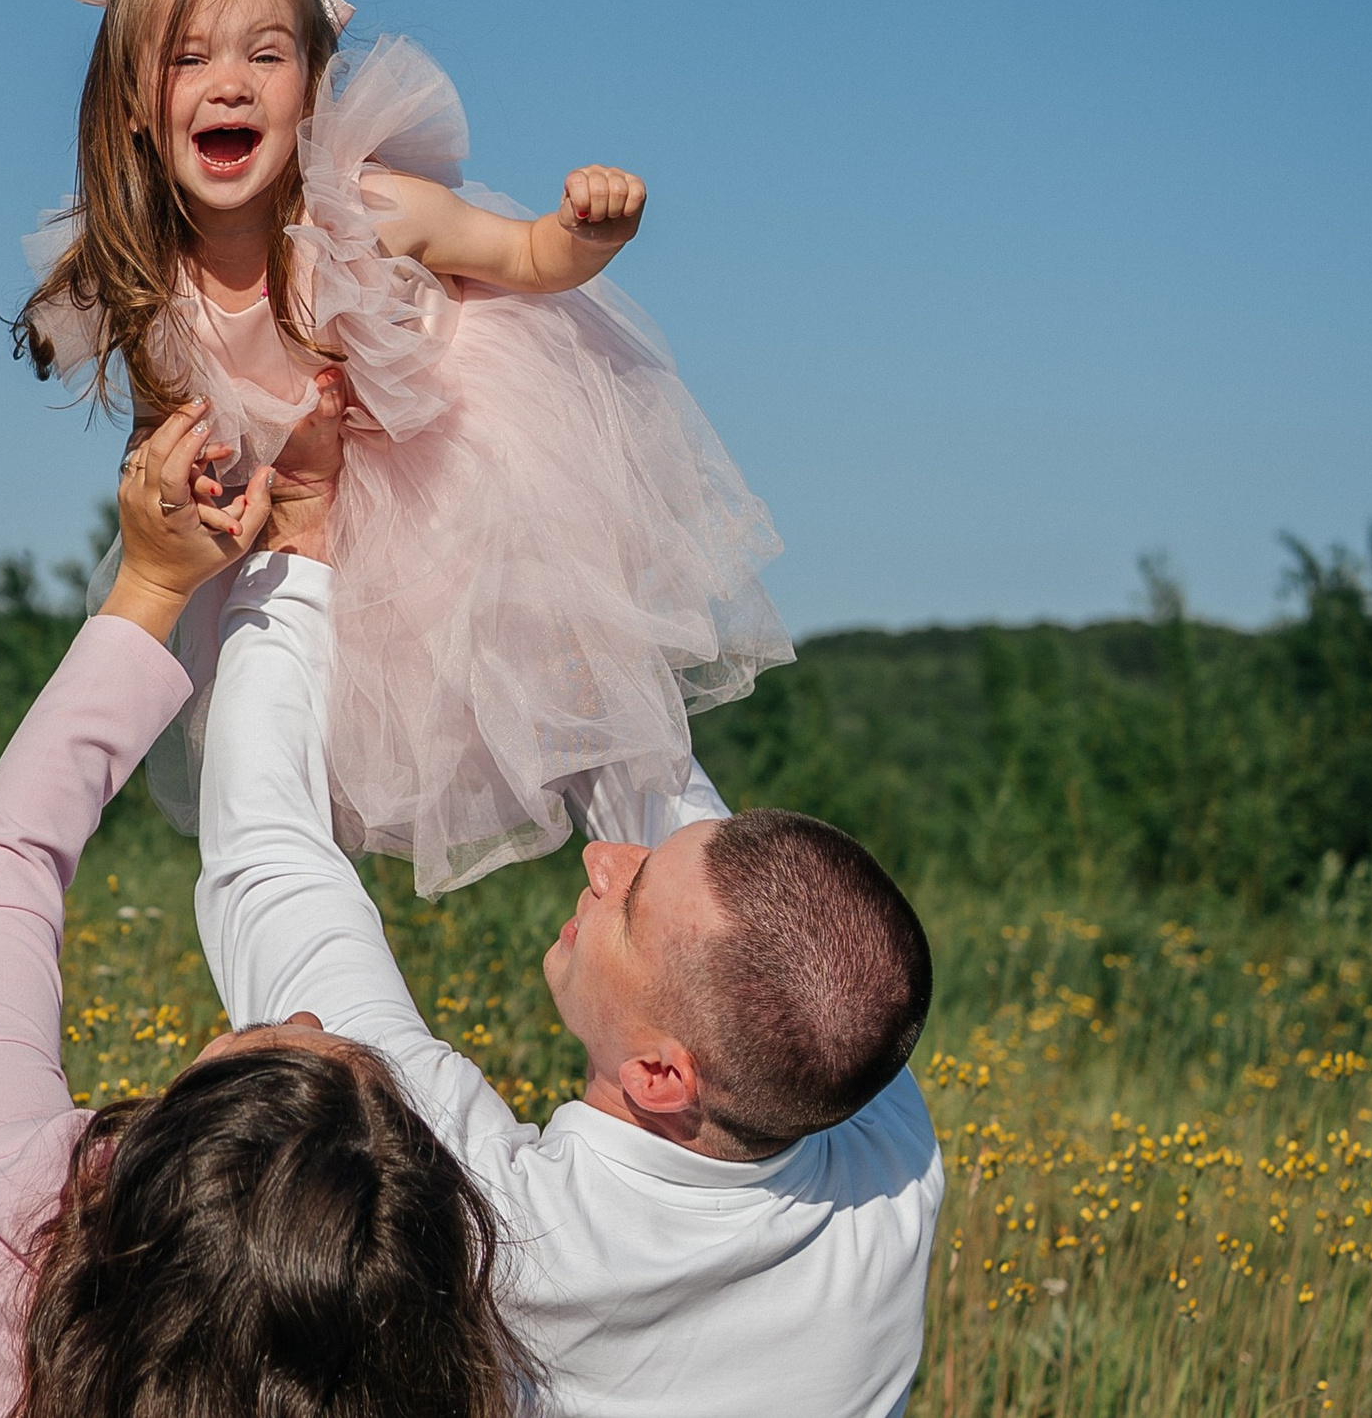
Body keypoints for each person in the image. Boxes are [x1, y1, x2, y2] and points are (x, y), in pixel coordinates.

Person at [0, 407, 534, 1418]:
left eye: (276, 1052)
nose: (310, 1018)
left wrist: (150, 587)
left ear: (139, 1176)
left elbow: (7, 871)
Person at [17, 0, 793, 894]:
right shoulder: (146, 289)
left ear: (311, 85)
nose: (229, 82)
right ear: (131, 108)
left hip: (476, 478)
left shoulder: (370, 210)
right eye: (185, 59)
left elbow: (522, 260)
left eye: (266, 54)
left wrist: (586, 229)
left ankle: (703, 901)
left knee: (601, 724)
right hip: (322, 520)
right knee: (280, 737)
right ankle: (307, 970)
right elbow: (175, 419)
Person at [191, 398, 944, 1416]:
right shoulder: (885, 1150)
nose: (601, 862)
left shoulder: (512, 1237)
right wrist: (532, 550)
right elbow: (657, 780)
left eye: (629, 901)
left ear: (660, 1073)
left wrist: (300, 540)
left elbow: (272, 866)